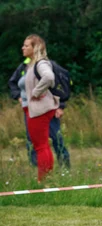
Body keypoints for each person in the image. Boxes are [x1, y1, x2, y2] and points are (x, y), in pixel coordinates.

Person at [8, 57, 70, 169]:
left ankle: (65, 169)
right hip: (31, 109)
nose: (23, 48)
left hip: (48, 108)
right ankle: (37, 168)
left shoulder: (47, 64)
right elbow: (13, 82)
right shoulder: (23, 66)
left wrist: (60, 106)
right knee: (32, 140)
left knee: (56, 138)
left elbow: (61, 84)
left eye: (27, 46)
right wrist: (18, 96)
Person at [21, 34, 60, 182]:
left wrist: (37, 92)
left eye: (27, 45)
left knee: (40, 146)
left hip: (40, 110)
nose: (23, 48)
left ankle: (42, 180)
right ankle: (46, 178)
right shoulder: (30, 64)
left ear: (35, 48)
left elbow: (49, 77)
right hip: (35, 109)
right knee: (42, 145)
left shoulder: (41, 63)